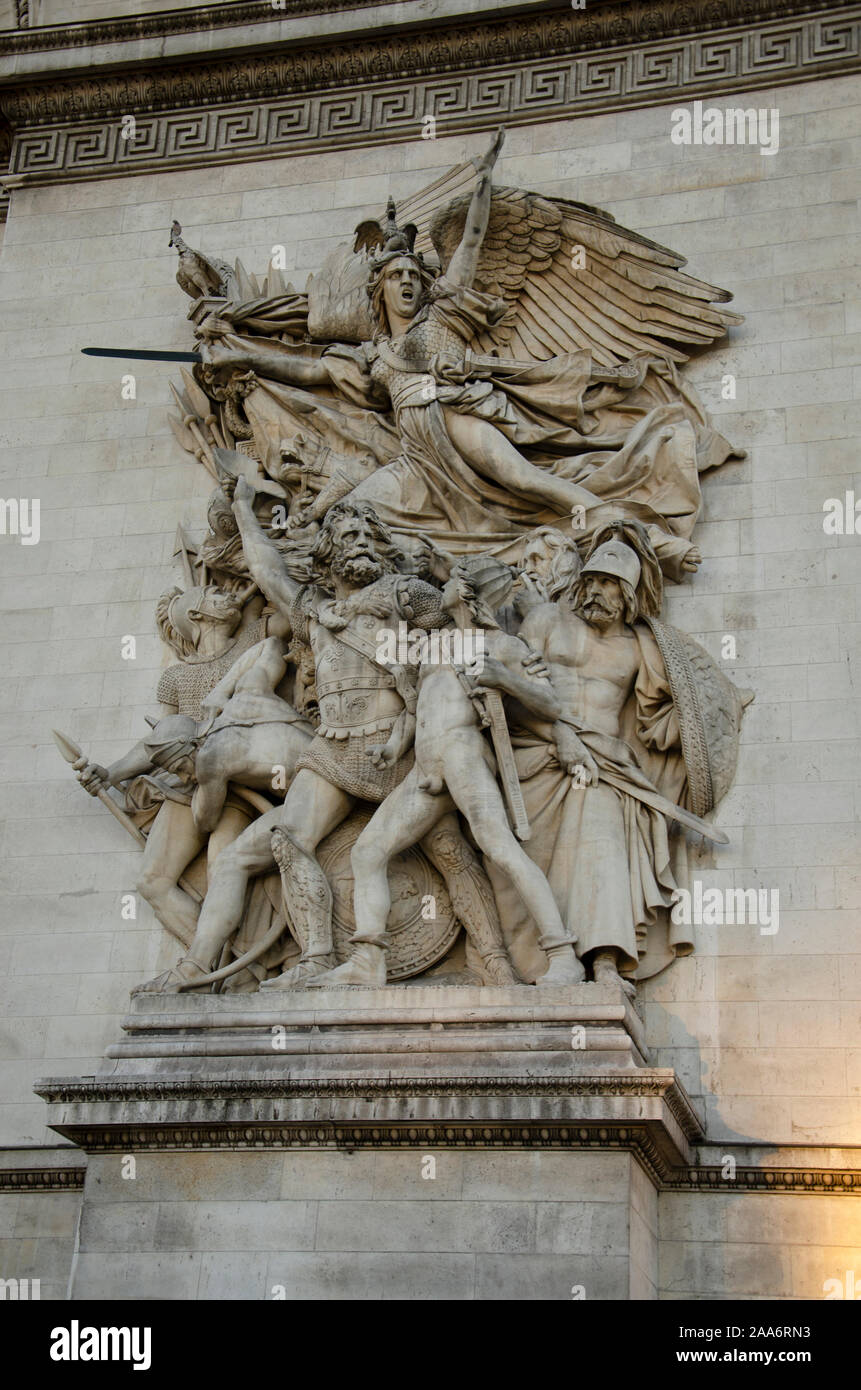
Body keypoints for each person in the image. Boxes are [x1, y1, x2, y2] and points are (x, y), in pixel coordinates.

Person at [311, 555, 584, 988]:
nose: (447, 584)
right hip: (425, 767)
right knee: (367, 853)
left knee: (501, 848)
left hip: (463, 755)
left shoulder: (502, 647)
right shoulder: (432, 645)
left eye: (457, 578)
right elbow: (415, 709)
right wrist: (393, 746)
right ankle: (368, 961)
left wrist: (504, 679)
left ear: (473, 592)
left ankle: (563, 955)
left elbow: (550, 705)